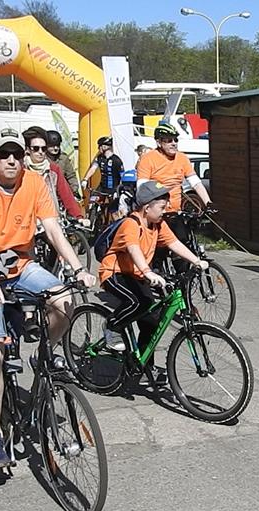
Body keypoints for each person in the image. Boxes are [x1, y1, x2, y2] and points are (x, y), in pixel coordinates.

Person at [0, 128, 96, 470]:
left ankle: (42, 353)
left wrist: (78, 268)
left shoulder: (33, 183)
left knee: (65, 300)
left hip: (21, 266)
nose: (11, 160)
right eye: (4, 154)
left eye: (17, 154)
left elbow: (53, 229)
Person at [98, 180, 209, 355]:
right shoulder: (131, 224)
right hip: (115, 273)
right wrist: (148, 272)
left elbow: (174, 243)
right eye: (162, 207)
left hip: (137, 275)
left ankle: (142, 365)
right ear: (147, 207)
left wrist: (196, 261)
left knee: (151, 321)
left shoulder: (159, 224)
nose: (165, 211)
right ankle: (112, 326)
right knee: (137, 303)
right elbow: (133, 249)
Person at [136, 123, 212, 271]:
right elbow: (142, 189)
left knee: (182, 246)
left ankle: (182, 279)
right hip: (156, 214)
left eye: (175, 140)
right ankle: (156, 273)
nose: (174, 143)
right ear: (159, 142)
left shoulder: (182, 158)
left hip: (175, 213)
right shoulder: (148, 159)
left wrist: (208, 203)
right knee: (158, 251)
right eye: (169, 140)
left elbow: (196, 183)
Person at [21, 126, 82, 220]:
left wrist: (78, 216)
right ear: (28, 149)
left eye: (43, 148)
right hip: (26, 218)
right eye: (36, 148)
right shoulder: (21, 168)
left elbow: (67, 195)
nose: (40, 152)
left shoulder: (53, 169)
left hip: (50, 217)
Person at [44, 129, 80, 199]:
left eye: (57, 145)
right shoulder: (42, 158)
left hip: (62, 193)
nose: (55, 148)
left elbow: (71, 176)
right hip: (46, 193)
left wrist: (74, 190)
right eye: (52, 146)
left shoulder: (63, 158)